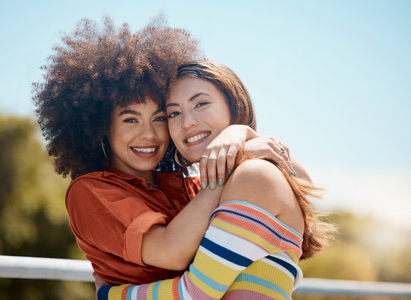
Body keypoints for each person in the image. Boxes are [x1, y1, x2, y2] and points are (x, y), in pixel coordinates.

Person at [95, 61, 334, 299]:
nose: (187, 122)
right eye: (173, 113)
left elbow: (194, 294)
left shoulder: (254, 175)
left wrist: (108, 295)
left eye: (201, 104)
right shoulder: (217, 190)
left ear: (234, 107)